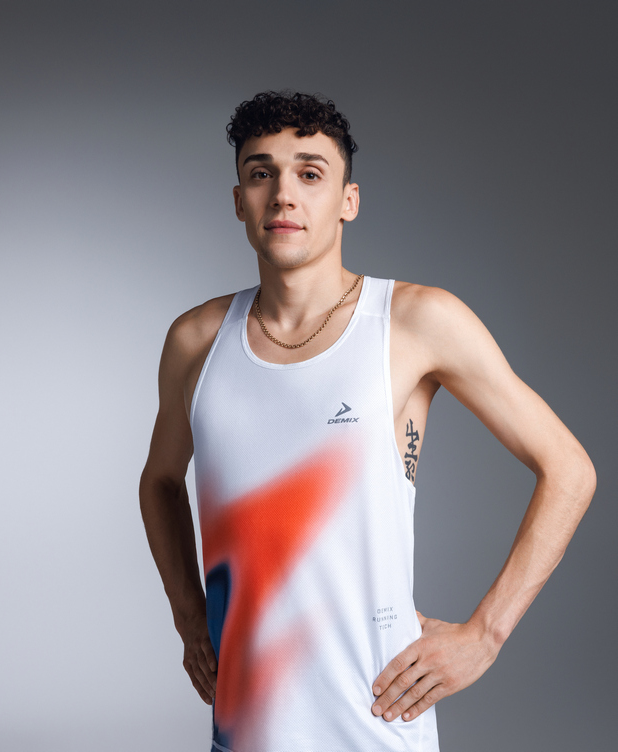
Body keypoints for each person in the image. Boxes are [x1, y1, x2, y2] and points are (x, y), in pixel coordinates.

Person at [139, 91, 596, 752]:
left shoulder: (414, 321)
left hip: (375, 723)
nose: (284, 194)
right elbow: (159, 481)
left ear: (347, 200)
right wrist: (189, 617)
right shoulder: (196, 340)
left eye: (310, 173)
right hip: (245, 727)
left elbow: (569, 469)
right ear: (239, 201)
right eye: (262, 173)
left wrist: (485, 635)